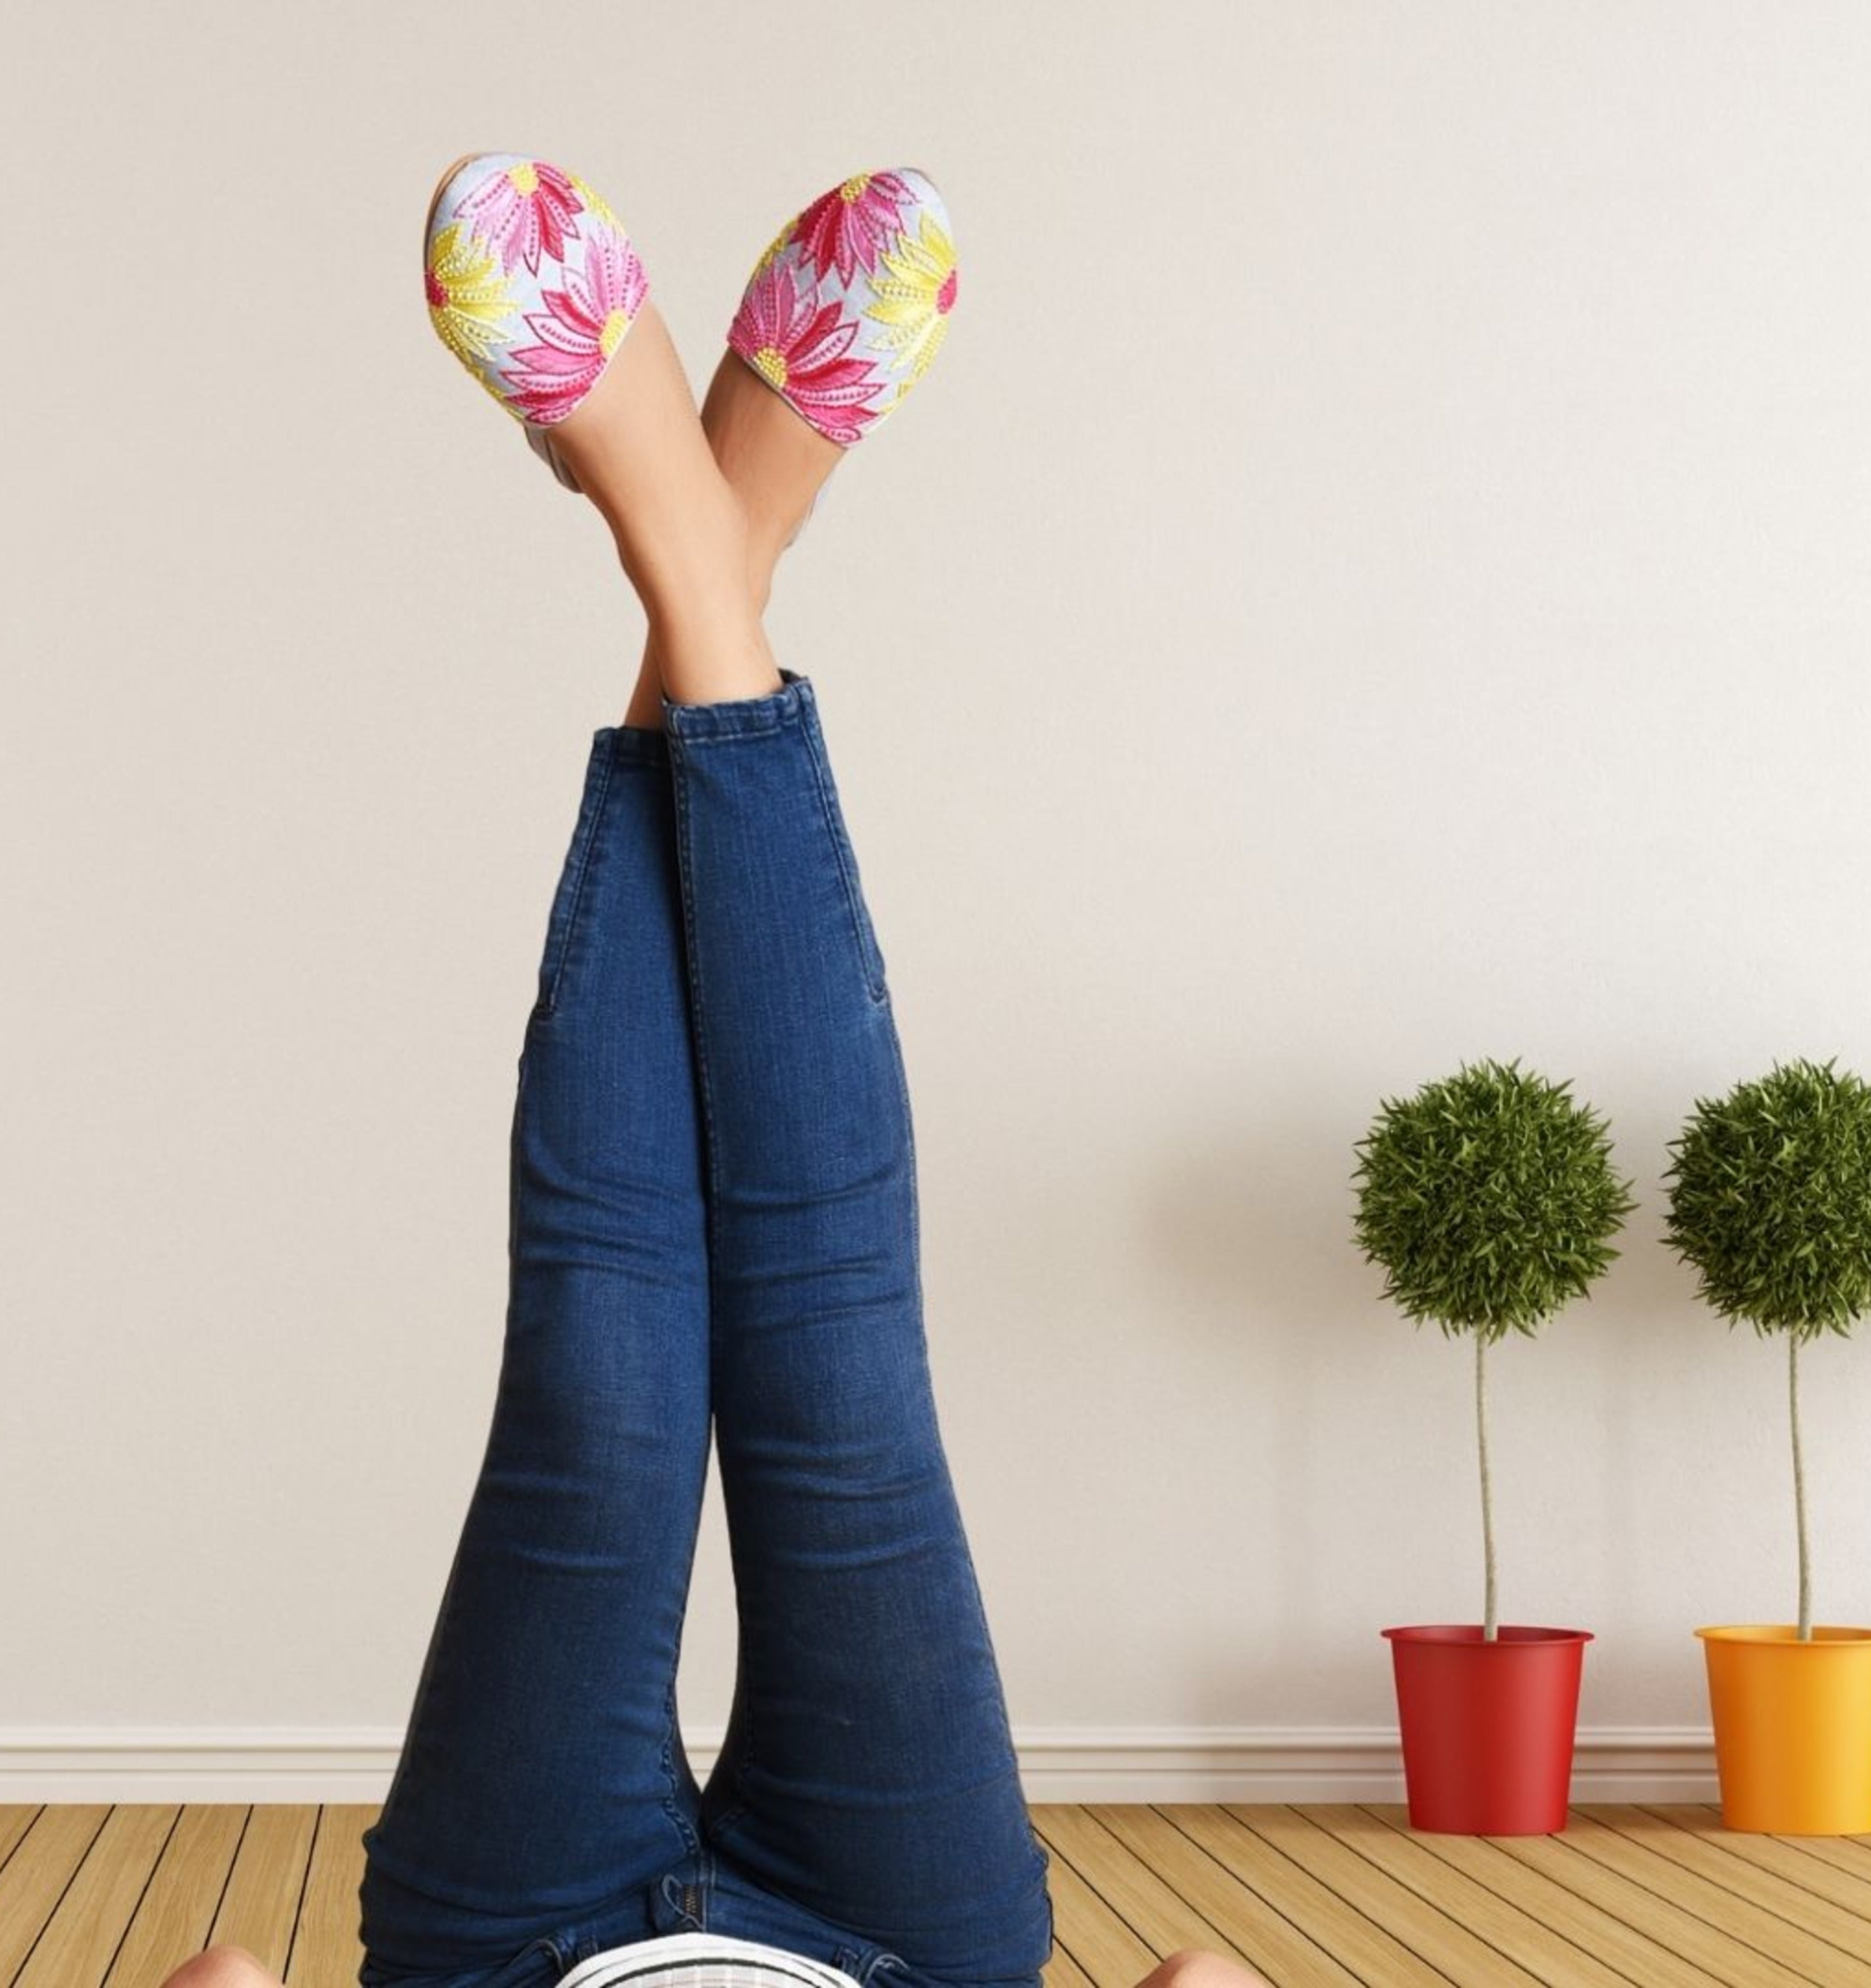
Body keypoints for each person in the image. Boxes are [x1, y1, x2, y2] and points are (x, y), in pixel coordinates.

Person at [160, 154, 1265, 1988]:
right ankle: (704, 524)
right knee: (834, 1360)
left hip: (513, 1948)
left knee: (603, 1390)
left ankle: (705, 520)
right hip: (897, 1947)